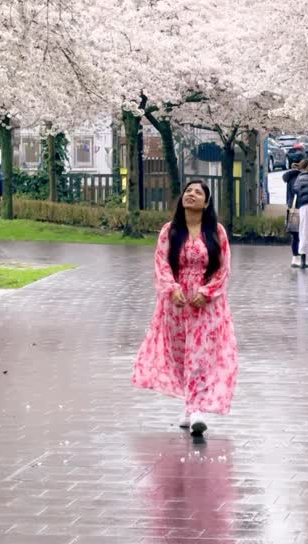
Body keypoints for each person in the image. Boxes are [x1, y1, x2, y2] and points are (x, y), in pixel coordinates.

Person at [132, 179, 238, 438]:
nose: (191, 195)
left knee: (200, 355)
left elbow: (223, 268)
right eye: (188, 191)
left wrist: (207, 292)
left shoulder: (216, 232)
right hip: (177, 304)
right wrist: (171, 288)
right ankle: (188, 405)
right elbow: (161, 263)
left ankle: (197, 410)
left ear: (207, 202)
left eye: (198, 192)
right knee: (181, 355)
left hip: (206, 305)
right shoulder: (170, 231)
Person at [281, 154, 305, 267]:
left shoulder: (289, 177)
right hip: (299, 208)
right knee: (300, 234)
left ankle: (295, 257)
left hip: (291, 208)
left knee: (294, 235)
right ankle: (298, 257)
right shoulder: (300, 177)